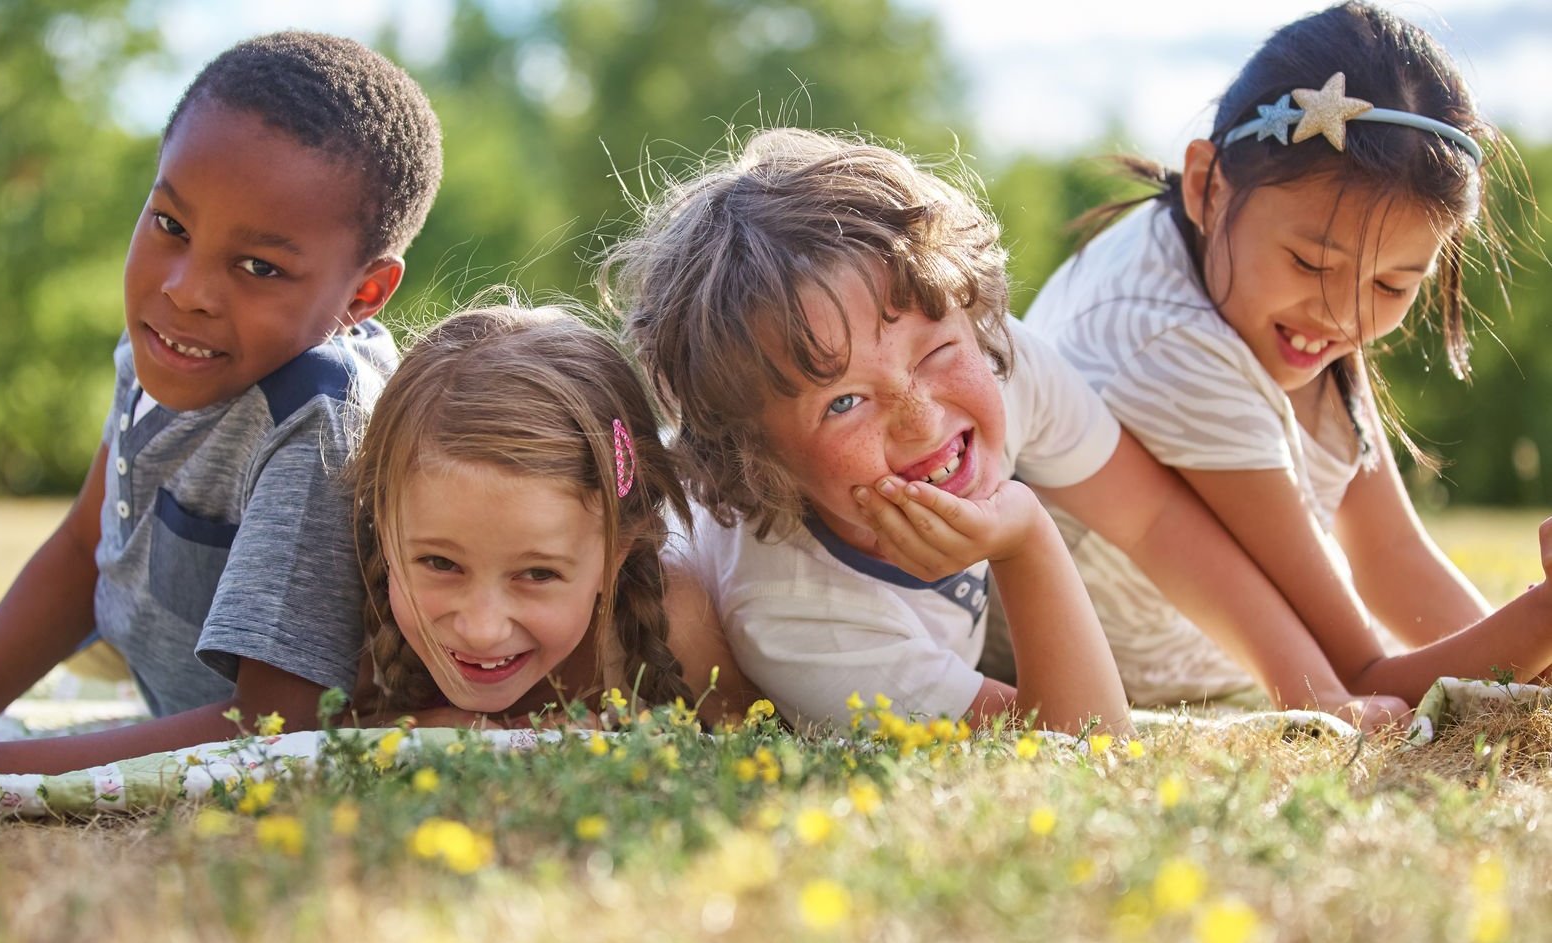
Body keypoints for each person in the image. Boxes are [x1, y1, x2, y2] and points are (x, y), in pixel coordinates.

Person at [603, 127, 1406, 735]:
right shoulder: (799, 619)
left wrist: (1318, 695)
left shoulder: (998, 359)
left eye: (935, 350)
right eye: (843, 401)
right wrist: (1024, 537)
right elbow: (1078, 744)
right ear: (756, 458)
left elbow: (1156, 521)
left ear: (973, 315)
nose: (922, 418)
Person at [0, 32, 442, 774]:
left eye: (259, 266)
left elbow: (276, 725)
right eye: (171, 225)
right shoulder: (170, 343)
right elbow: (86, 553)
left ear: (362, 295)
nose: (185, 288)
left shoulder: (319, 422)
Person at [1024, 1, 1552, 707]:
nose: (1344, 316)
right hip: (1142, 680)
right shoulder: (1166, 344)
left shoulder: (1256, 278)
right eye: (1311, 263)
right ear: (1207, 185)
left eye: (1395, 283)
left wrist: (1531, 658)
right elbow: (1360, 677)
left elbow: (1388, 554)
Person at [346, 304, 748, 725]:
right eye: (441, 563)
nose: (483, 629)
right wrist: (429, 729)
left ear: (616, 555)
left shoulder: (676, 624)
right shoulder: (359, 622)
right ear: (385, 531)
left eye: (538, 574)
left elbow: (748, 747)